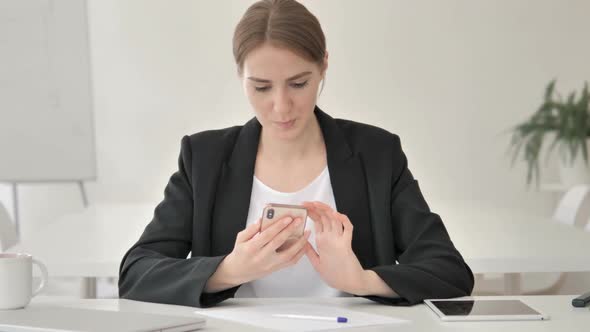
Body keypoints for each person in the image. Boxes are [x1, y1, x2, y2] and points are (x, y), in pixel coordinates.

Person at [118, 0, 473, 308]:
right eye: (261, 87)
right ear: (240, 75)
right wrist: (230, 270)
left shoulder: (376, 153)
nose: (281, 106)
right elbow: (136, 273)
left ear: (324, 67)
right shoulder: (204, 158)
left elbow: (448, 271)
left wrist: (360, 280)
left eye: (299, 84)